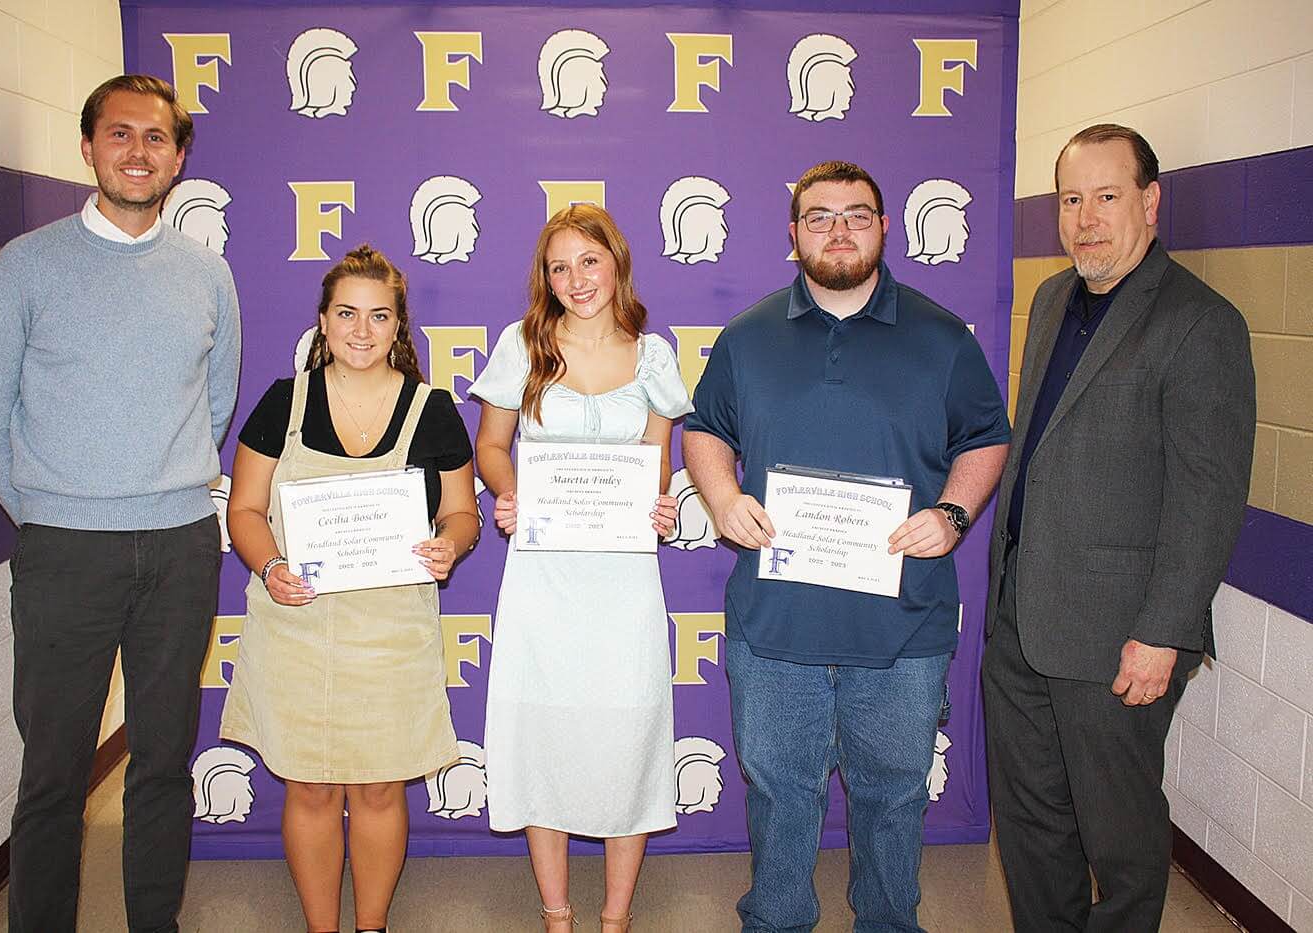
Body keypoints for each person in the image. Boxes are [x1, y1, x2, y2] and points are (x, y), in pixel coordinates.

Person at [682, 160, 1010, 933]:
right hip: (777, 624)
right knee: (779, 792)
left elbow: (986, 437)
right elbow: (704, 429)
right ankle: (777, 920)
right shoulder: (749, 335)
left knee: (894, 793)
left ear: (885, 227)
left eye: (857, 215)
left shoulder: (940, 338)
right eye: (820, 216)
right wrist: (722, 497)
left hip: (903, 622)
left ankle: (890, 923)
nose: (839, 231)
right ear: (793, 234)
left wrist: (955, 514)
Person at [0, 75, 241, 932]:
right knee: (53, 775)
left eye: (156, 139)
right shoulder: (26, 267)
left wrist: (162, 488)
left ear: (179, 158)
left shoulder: (206, 273)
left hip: (182, 548)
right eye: (120, 135)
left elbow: (214, 403)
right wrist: (53, 509)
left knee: (162, 762)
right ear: (88, 147)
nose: (138, 152)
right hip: (65, 553)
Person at [983, 124, 1255, 932]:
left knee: (1123, 839)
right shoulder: (1053, 299)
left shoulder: (1202, 323)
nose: (1087, 218)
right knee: (1032, 828)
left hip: (1117, 638)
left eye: (1107, 196)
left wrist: (1163, 630)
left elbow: (1208, 496)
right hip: (1021, 617)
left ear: (1150, 200)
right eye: (1072, 198)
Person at [219, 244, 479, 933]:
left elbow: (463, 511)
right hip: (295, 627)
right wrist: (272, 566)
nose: (362, 330)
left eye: (379, 315)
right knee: (307, 785)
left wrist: (449, 543)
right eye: (347, 314)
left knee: (378, 784)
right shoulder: (285, 402)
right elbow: (243, 509)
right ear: (323, 323)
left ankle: (370, 927)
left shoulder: (433, 409)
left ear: (400, 327)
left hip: (391, 631)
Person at [469, 204, 692, 933]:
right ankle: (558, 915)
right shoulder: (522, 345)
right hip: (543, 577)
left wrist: (660, 503)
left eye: (588, 261)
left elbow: (658, 462)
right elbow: (491, 447)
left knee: (628, 733)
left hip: (624, 579)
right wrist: (509, 492)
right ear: (545, 277)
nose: (576, 278)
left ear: (617, 262)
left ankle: (616, 916)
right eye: (559, 266)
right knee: (545, 737)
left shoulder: (653, 356)